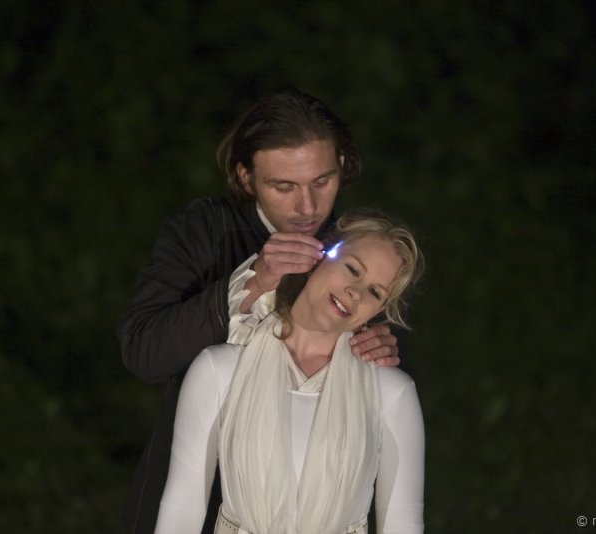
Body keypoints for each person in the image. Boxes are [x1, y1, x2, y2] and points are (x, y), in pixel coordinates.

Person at [118, 89, 403, 534]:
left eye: (322, 181)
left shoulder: (359, 251)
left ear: (342, 164)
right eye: (284, 187)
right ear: (246, 177)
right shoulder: (203, 231)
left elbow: (384, 411)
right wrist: (252, 283)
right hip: (196, 502)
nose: (307, 207)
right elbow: (143, 353)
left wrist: (382, 349)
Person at [155, 210, 425, 534]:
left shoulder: (391, 392)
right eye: (353, 269)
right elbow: (182, 507)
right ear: (321, 256)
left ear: (379, 310)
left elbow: (403, 523)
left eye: (375, 292)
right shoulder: (219, 370)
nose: (356, 292)